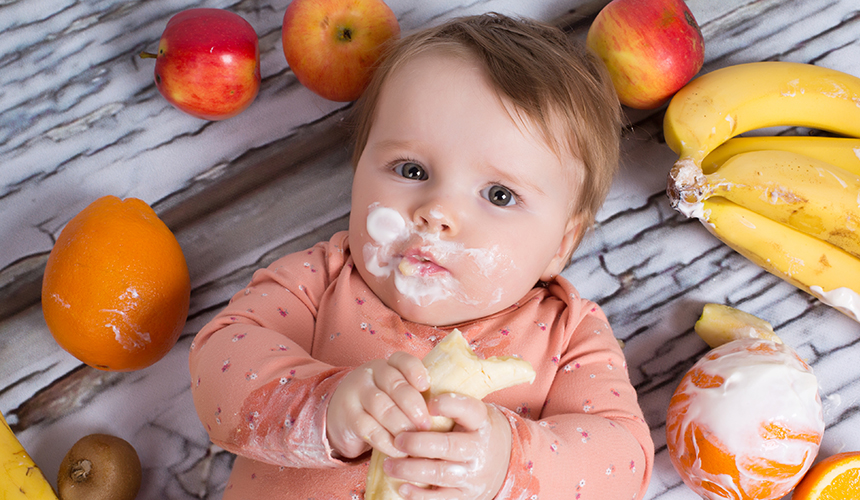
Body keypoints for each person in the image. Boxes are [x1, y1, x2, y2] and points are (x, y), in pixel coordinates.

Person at [189, 12, 654, 500]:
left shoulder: (568, 335)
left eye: (498, 195)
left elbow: (622, 465)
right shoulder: (317, 283)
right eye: (411, 169)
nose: (436, 213)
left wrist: (507, 462)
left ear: (560, 244)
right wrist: (325, 407)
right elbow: (217, 370)